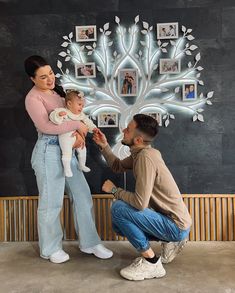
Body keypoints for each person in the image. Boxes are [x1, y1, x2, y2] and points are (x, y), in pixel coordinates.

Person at [24, 55, 113, 264]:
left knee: (82, 195)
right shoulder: (33, 98)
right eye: (43, 77)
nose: (49, 79)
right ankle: (50, 248)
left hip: (69, 152)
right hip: (48, 153)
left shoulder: (57, 92)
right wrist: (77, 128)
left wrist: (84, 134)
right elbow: (47, 127)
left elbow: (73, 117)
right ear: (32, 79)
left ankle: (90, 242)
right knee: (51, 203)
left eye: (51, 74)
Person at [93, 114, 191, 281]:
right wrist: (104, 146)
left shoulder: (146, 158)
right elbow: (117, 166)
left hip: (176, 225)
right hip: (171, 220)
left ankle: (152, 263)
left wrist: (114, 190)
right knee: (118, 226)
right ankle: (169, 242)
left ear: (137, 140)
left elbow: (140, 203)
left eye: (128, 129)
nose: (123, 130)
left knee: (118, 208)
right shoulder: (141, 153)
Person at [49, 89, 97, 176]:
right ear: (69, 103)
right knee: (67, 152)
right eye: (79, 105)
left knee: (83, 149)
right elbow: (53, 117)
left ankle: (82, 165)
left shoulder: (81, 115)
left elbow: (88, 122)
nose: (81, 107)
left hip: (78, 137)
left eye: (82, 105)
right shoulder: (63, 111)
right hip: (66, 137)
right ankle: (67, 169)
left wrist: (93, 128)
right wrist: (58, 116)